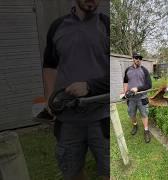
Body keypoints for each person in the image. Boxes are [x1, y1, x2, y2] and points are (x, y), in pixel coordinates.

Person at [42, 0, 109, 179]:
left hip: (102, 118)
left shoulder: (107, 25)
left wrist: (89, 86)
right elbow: (50, 65)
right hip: (68, 119)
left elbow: (118, 75)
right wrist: (48, 98)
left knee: (109, 172)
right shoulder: (57, 27)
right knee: (71, 173)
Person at [123, 52, 152, 143]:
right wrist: (125, 92)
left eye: (140, 58)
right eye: (136, 57)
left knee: (144, 114)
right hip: (131, 98)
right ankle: (135, 125)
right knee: (131, 113)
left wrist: (138, 88)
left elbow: (149, 85)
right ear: (133, 58)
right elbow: (125, 81)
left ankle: (146, 130)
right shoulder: (128, 70)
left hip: (142, 97)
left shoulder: (144, 70)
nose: (138, 59)